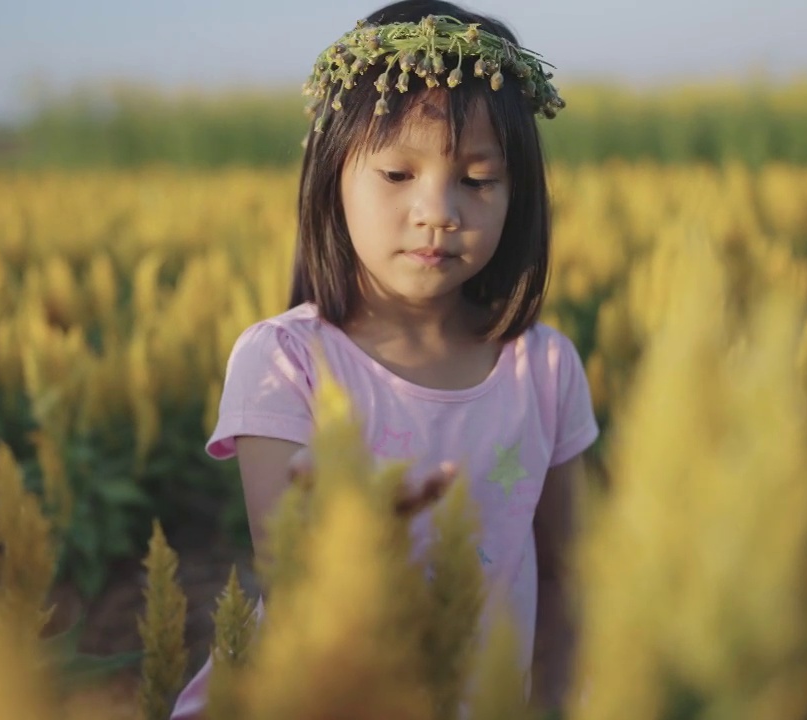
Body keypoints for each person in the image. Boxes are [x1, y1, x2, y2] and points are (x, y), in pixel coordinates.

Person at [170, 1, 596, 716]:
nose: (438, 210)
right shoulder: (285, 362)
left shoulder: (544, 368)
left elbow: (564, 579)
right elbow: (296, 583)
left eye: (478, 179)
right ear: (331, 177)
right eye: (399, 174)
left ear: (518, 198)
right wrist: (363, 531)